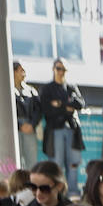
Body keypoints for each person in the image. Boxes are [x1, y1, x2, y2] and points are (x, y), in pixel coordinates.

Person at [38, 60, 85, 195]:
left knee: (73, 163)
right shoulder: (47, 88)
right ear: (53, 69)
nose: (61, 72)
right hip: (55, 129)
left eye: (63, 69)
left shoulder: (71, 87)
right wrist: (67, 107)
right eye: (58, 68)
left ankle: (73, 192)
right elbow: (46, 109)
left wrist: (60, 105)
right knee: (56, 164)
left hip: (72, 129)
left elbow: (80, 103)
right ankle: (57, 192)